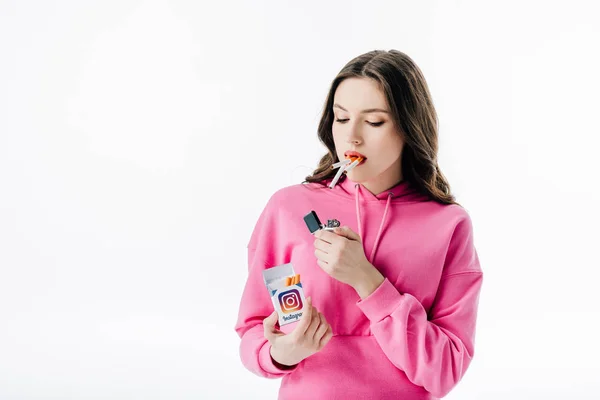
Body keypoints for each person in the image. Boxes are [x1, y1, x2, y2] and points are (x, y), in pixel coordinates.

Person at [233, 49, 483, 400]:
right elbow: (253, 330)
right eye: (341, 118)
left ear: (409, 127)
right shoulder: (290, 208)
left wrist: (367, 280)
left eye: (374, 121)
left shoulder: (448, 225)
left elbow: (446, 368)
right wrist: (282, 353)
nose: (352, 137)